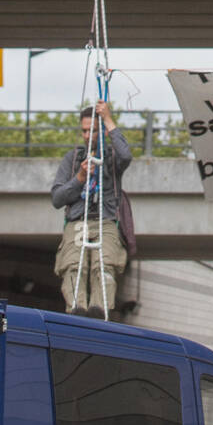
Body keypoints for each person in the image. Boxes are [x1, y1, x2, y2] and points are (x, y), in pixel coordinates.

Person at [51, 101, 132, 318]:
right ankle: (76, 308)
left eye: (93, 131)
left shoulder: (111, 157)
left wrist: (107, 119)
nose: (87, 136)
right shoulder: (72, 159)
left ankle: (100, 308)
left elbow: (126, 155)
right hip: (78, 220)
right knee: (73, 265)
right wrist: (79, 178)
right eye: (84, 131)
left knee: (104, 265)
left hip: (105, 220)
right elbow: (57, 199)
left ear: (101, 131)